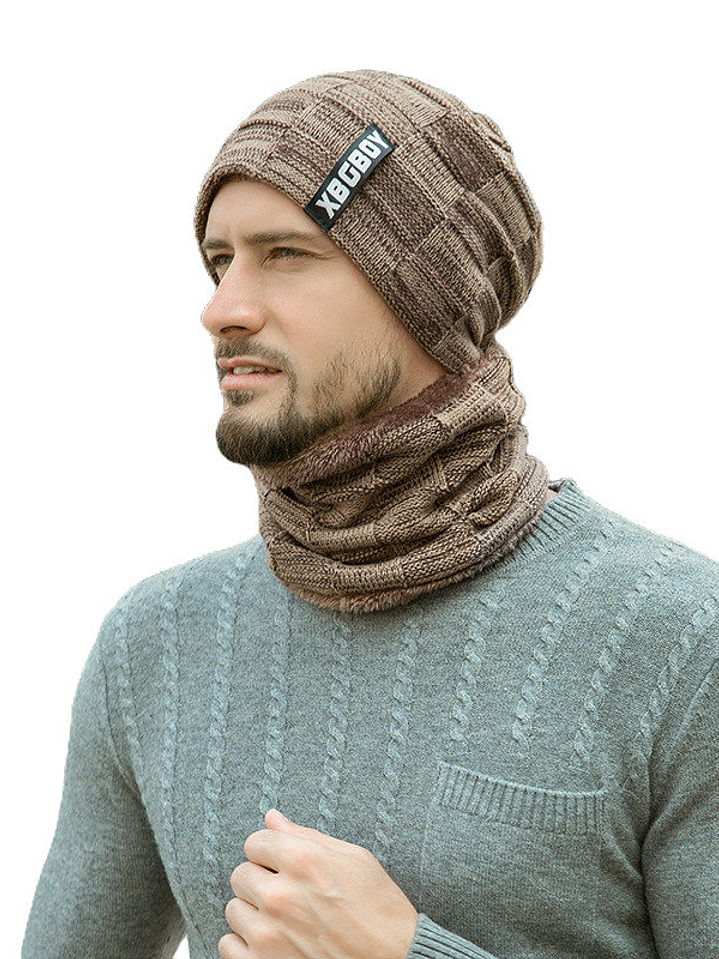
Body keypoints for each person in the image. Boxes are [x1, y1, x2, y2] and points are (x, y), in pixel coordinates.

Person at [22, 69, 717, 959]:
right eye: (219, 260)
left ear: (427, 294)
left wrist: (405, 952)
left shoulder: (681, 640)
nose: (222, 307)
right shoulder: (153, 643)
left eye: (286, 253)